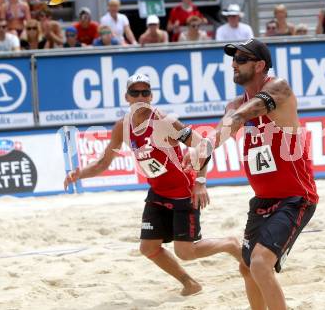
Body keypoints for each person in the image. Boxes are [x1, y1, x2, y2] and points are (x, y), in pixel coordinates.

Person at [64, 73, 240, 296]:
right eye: (134, 92)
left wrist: (201, 182)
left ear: (151, 96)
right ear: (126, 96)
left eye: (144, 92)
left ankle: (230, 244)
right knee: (148, 248)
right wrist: (79, 175)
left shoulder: (164, 121)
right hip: (158, 193)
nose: (140, 96)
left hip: (183, 193)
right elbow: (103, 162)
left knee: (185, 252)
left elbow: (204, 145)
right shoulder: (122, 126)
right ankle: (189, 283)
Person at [184, 38, 318, 310]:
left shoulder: (278, 89)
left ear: (259, 65)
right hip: (262, 201)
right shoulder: (234, 104)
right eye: (233, 59)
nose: (234, 64)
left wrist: (204, 144)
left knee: (259, 263)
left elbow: (239, 118)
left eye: (241, 59)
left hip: (296, 198)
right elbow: (225, 128)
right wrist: (200, 177)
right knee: (247, 268)